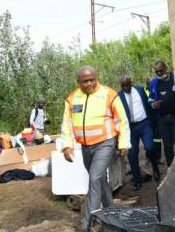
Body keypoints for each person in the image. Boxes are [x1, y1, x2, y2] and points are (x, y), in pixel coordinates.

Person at [58, 66, 130, 232]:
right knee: (99, 179)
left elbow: (122, 119)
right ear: (79, 82)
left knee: (94, 178)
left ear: (97, 78)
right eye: (85, 81)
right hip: (86, 146)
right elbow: (66, 124)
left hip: (106, 143)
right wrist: (67, 145)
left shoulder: (108, 94)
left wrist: (124, 143)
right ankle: (112, 212)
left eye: (92, 79)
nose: (89, 83)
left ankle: (88, 224)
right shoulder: (72, 98)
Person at [118, 75, 160, 191]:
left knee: (149, 147)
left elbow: (148, 104)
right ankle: (137, 179)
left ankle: (155, 168)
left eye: (128, 85)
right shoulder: (119, 96)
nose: (126, 88)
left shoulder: (140, 90)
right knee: (132, 154)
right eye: (123, 86)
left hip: (144, 123)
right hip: (130, 128)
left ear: (131, 83)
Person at [148, 61, 175, 167]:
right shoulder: (154, 83)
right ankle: (171, 169)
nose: (159, 74)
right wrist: (153, 105)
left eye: (161, 71)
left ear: (166, 68)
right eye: (156, 72)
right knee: (167, 145)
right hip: (162, 119)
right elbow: (150, 98)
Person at [145, 76, 164, 165]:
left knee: (157, 138)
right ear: (146, 84)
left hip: (156, 117)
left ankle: (158, 157)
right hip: (147, 118)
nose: (150, 85)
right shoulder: (144, 92)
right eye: (149, 83)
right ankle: (148, 157)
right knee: (148, 138)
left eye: (151, 83)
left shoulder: (156, 89)